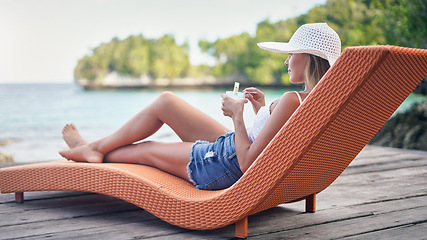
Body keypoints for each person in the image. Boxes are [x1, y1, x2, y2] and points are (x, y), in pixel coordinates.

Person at [59, 22, 341, 190]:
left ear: (308, 57)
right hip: (229, 151)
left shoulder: (293, 100)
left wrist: (237, 115)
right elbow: (274, 143)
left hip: (224, 165)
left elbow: (247, 163)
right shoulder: (313, 104)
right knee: (167, 102)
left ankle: (95, 150)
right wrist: (262, 110)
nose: (286, 61)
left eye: (291, 54)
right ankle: (94, 147)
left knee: (142, 151)